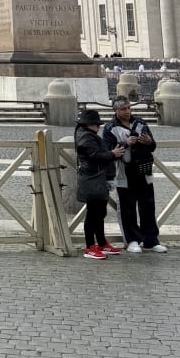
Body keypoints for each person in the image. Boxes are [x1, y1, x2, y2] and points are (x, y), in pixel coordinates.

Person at [103, 97, 166, 254]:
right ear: (115, 110)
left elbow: (153, 146)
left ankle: (151, 240)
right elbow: (109, 150)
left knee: (148, 206)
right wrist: (127, 144)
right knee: (127, 208)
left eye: (128, 107)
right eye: (123, 109)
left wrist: (149, 141)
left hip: (144, 171)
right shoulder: (110, 128)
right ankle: (132, 240)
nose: (127, 111)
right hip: (125, 173)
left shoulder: (140, 123)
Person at [74, 110, 124, 261]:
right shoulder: (85, 137)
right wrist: (113, 154)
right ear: (91, 125)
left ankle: (101, 243)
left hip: (97, 178)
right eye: (97, 124)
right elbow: (95, 156)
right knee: (93, 214)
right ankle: (90, 246)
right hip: (92, 179)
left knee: (99, 213)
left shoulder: (87, 135)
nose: (99, 127)